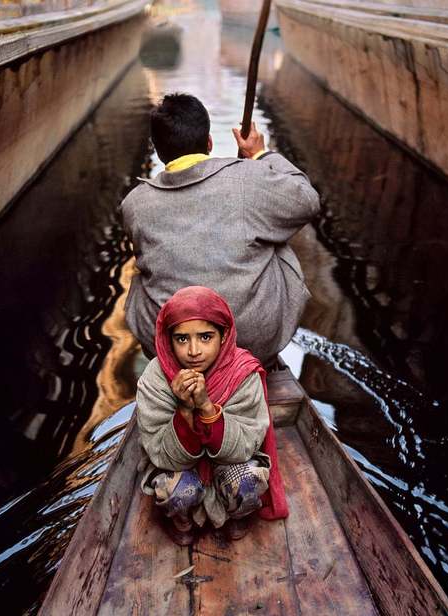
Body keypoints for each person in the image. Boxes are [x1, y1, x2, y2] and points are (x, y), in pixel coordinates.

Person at [121, 93, 320, 365]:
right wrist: (261, 154)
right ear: (209, 142)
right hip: (252, 341)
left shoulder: (134, 204)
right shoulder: (249, 178)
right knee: (275, 230)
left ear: (157, 149)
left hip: (172, 345)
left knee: (140, 272)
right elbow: (307, 201)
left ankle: (176, 357)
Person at [135, 286, 288, 545]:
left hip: (229, 463)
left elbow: (245, 447)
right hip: (180, 467)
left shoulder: (243, 373)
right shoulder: (155, 378)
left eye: (206, 337)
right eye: (182, 339)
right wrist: (183, 409)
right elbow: (160, 453)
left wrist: (206, 407)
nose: (194, 351)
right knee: (176, 489)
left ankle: (238, 513)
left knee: (248, 480)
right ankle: (183, 519)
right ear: (167, 340)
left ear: (224, 335)